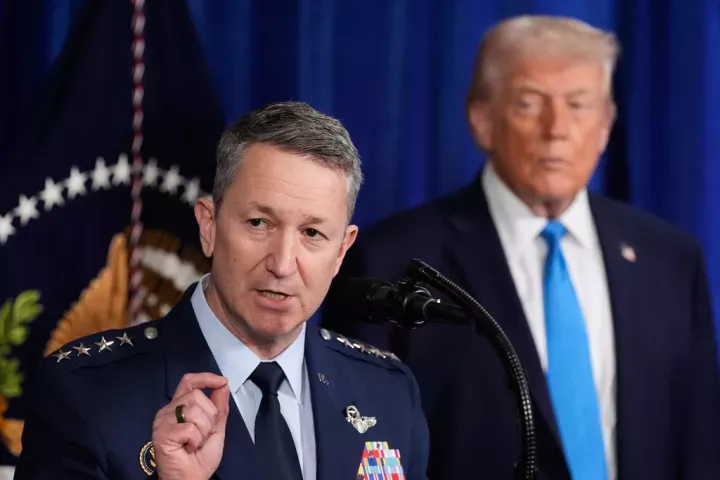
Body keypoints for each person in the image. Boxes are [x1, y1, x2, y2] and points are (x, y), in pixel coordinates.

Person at [323, 15, 720, 480]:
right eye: (529, 104)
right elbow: (361, 438)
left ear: (606, 125)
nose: (557, 128)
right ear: (482, 120)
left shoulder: (670, 259)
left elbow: (701, 445)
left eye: (579, 105)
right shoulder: (392, 260)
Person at [15, 101, 429, 480]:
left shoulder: (388, 392)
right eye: (258, 223)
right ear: (209, 226)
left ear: (341, 252)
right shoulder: (84, 393)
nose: (283, 264)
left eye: (312, 233)